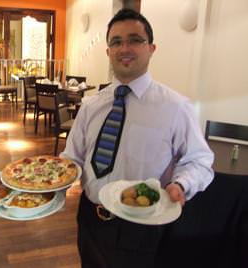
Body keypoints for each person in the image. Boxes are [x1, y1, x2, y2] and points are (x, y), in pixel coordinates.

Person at [60, 8, 214, 267]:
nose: (124, 48)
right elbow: (72, 157)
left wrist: (181, 183)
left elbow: (200, 161)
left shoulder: (176, 107)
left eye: (135, 40)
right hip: (89, 218)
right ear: (108, 51)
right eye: (116, 42)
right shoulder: (90, 105)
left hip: (141, 226)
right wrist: (54, 179)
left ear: (151, 48)